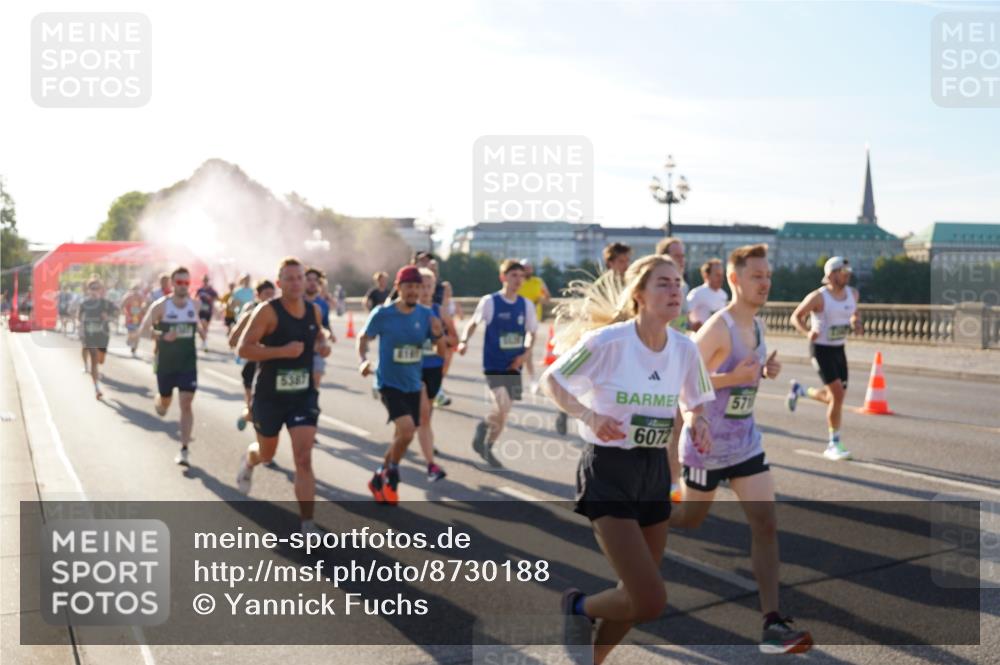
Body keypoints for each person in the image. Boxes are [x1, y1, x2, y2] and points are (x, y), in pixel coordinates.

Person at [540, 254, 715, 665]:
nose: (675, 291)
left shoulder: (685, 348)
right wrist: (589, 415)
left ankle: (592, 659)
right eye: (663, 284)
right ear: (638, 294)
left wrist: (698, 422)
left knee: (635, 594)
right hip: (609, 470)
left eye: (678, 283)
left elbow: (696, 403)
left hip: (653, 471)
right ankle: (579, 607)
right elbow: (552, 379)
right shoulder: (609, 342)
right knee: (650, 600)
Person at [669, 243, 813, 654]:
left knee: (765, 525)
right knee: (689, 519)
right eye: (756, 276)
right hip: (705, 445)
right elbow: (683, 381)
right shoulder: (718, 327)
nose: (765, 283)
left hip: (745, 443)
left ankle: (772, 622)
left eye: (768, 276)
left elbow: (747, 376)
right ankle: (644, 517)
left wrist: (765, 370)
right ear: (735, 280)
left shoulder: (760, 326)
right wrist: (731, 378)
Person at [235, 258, 332, 534]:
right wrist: (281, 351)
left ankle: (307, 524)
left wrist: (323, 345)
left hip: (302, 395)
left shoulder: (313, 310)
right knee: (266, 453)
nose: (296, 282)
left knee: (303, 457)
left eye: (300, 277)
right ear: (279, 283)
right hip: (269, 396)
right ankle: (249, 460)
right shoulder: (268, 311)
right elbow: (244, 349)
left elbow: (319, 335)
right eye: (289, 278)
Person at [358, 266, 446, 504]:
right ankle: (393, 473)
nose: (414, 292)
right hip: (389, 382)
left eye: (417, 287)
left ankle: (380, 477)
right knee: (407, 431)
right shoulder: (383, 314)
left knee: (401, 438)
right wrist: (364, 360)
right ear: (398, 288)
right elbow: (364, 337)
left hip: (413, 384)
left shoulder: (426, 315)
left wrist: (438, 336)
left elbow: (440, 351)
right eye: (409, 287)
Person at [457, 259, 537, 468]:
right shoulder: (490, 301)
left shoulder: (525, 305)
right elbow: (473, 323)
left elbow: (532, 333)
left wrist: (525, 354)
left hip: (514, 365)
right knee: (502, 405)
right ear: (503, 277)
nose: (518, 280)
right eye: (513, 275)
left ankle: (487, 445)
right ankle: (483, 430)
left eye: (521, 276)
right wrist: (464, 341)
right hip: (494, 364)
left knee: (504, 412)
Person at [786, 256, 862, 461]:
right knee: (837, 395)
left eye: (848, 272)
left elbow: (854, 313)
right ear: (831, 275)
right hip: (820, 349)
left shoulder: (853, 294)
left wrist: (857, 322)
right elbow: (796, 317)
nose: (847, 275)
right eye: (842, 272)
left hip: (839, 349)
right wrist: (807, 331)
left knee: (835, 398)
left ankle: (800, 391)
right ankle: (833, 443)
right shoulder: (818, 297)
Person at [138, 267, 205, 466]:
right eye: (179, 282)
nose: (183, 286)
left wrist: (201, 331)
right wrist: (161, 335)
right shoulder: (161, 306)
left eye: (186, 283)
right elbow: (143, 331)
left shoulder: (195, 304)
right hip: (166, 364)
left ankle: (184, 449)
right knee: (164, 405)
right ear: (172, 284)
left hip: (187, 363)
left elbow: (196, 322)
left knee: (186, 403)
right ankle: (161, 399)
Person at [417, 267, 457, 482]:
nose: (424, 290)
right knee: (422, 414)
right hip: (411, 368)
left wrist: (438, 338)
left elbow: (454, 341)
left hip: (433, 367)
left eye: (429, 286)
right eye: (421, 286)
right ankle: (430, 461)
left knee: (426, 413)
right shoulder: (407, 310)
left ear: (434, 289)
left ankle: (422, 440)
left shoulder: (439, 311)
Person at [229, 279, 276, 431]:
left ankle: (255, 419)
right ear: (258, 295)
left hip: (271, 363)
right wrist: (252, 347)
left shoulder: (279, 311)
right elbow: (234, 339)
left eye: (272, 294)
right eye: (266, 294)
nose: (269, 297)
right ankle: (247, 413)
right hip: (252, 362)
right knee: (252, 404)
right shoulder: (251, 311)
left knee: (266, 405)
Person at [78, 278, 117, 399]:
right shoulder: (84, 303)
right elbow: (79, 317)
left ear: (101, 290)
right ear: (88, 290)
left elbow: (117, 313)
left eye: (97, 288)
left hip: (103, 335)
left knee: (101, 360)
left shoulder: (106, 303)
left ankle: (96, 376)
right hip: (89, 335)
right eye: (92, 288)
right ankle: (96, 389)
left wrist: (108, 317)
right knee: (94, 360)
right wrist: (81, 328)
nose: (94, 290)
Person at [516, 258, 551, 393]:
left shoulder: (538, 282)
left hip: (532, 320)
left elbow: (547, 297)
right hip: (516, 320)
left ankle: (532, 381)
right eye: (524, 268)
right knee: (517, 351)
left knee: (528, 351)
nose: (527, 270)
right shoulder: (518, 281)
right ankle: (520, 379)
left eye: (529, 267)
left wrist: (541, 299)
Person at [305, 267, 337, 390]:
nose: (312, 283)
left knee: (314, 385)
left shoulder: (322, 304)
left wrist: (330, 334)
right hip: (296, 350)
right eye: (309, 279)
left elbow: (325, 324)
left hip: (316, 350)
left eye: (316, 280)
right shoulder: (296, 301)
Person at [686, 258, 729, 333]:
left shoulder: (723, 294)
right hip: (700, 338)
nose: (721, 278)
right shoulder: (696, 293)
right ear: (706, 275)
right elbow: (684, 314)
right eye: (717, 275)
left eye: (722, 275)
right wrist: (692, 324)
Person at [655, 237, 689, 330]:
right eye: (677, 256)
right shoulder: (652, 285)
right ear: (663, 258)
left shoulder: (684, 286)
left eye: (683, 256)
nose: (681, 260)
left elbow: (681, 319)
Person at [121, 284, 147, 357]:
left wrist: (143, 310)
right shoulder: (128, 296)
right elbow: (123, 304)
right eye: (134, 289)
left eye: (137, 289)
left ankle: (134, 348)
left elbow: (144, 305)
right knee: (131, 332)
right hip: (130, 318)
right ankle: (130, 340)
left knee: (137, 333)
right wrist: (124, 312)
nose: (136, 291)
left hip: (138, 318)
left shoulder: (141, 297)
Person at [195, 275, 219, 352]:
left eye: (206, 280)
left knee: (205, 328)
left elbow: (217, 298)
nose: (205, 281)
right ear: (203, 281)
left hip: (209, 310)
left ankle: (204, 341)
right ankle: (204, 342)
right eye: (204, 280)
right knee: (203, 323)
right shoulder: (200, 290)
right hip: (201, 310)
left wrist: (210, 298)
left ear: (208, 281)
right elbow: (195, 298)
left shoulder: (211, 290)